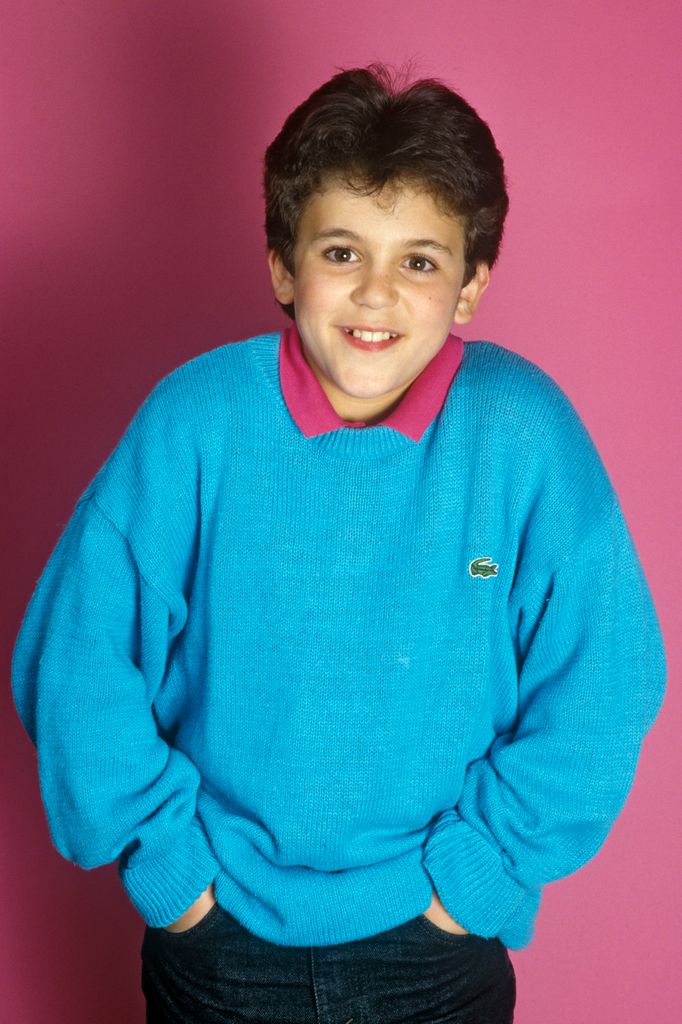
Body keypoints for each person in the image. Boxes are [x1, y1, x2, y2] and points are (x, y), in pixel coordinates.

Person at [11, 64, 666, 1024]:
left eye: (420, 260)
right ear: (284, 265)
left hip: (436, 948)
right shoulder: (197, 422)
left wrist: (475, 881)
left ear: (472, 286)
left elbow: (606, 676)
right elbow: (75, 655)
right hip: (219, 943)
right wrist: (170, 869)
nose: (377, 295)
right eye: (342, 251)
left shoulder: (523, 434)